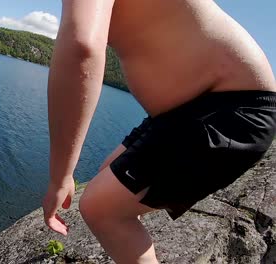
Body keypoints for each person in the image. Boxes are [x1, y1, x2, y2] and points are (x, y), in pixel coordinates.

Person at [42, 0, 276, 263]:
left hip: (229, 107)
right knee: (108, 176)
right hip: (194, 107)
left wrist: (60, 176)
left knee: (100, 208)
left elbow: (81, 47)